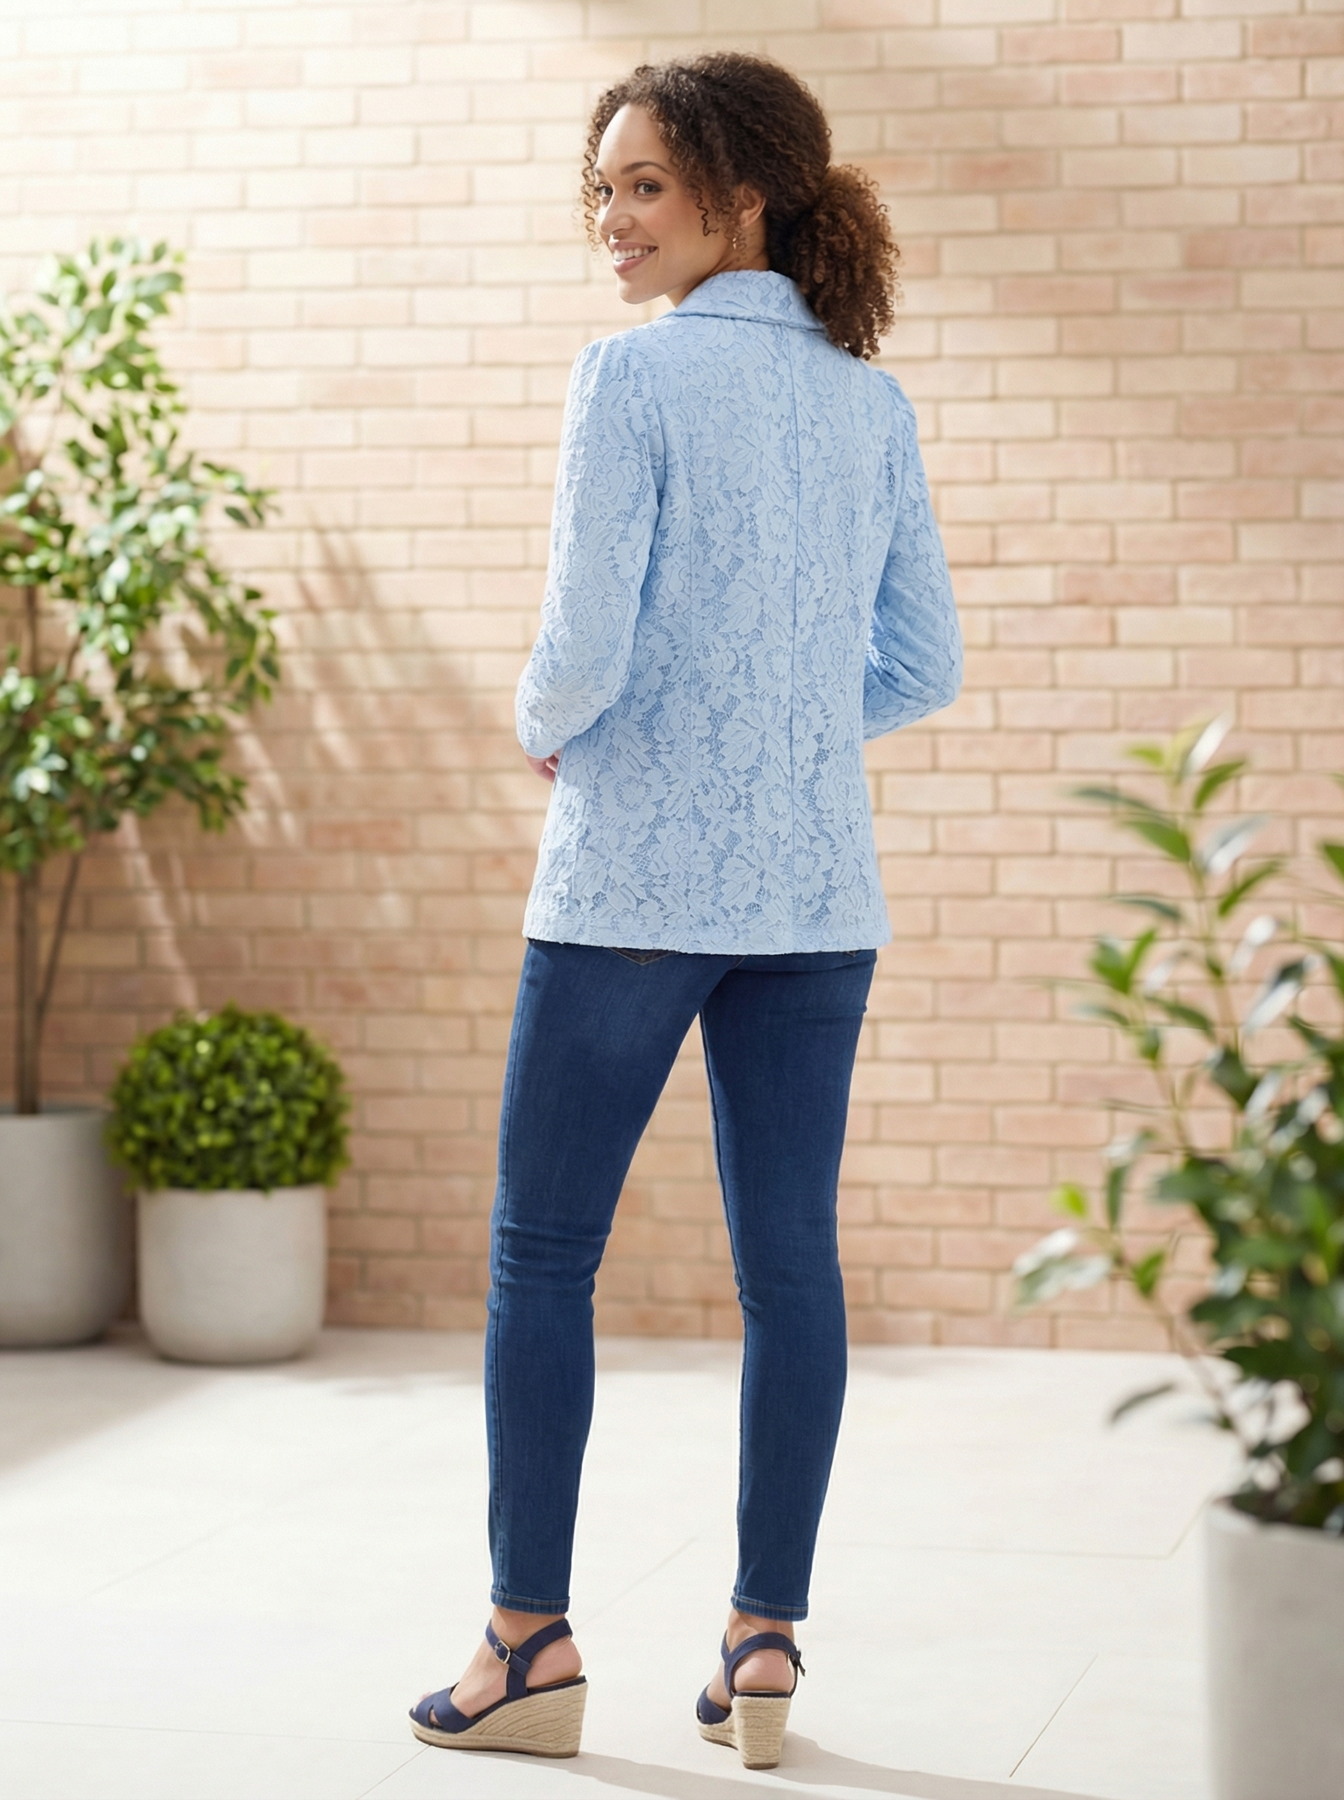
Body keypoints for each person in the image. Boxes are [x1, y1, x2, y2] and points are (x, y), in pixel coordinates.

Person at [410, 50, 961, 1771]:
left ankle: (527, 1645)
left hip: (633, 882)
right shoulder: (871, 403)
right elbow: (924, 664)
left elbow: (581, 647)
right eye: (603, 189)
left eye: (645, 185)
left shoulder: (631, 380)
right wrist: (780, 729)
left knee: (542, 1254)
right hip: (815, 891)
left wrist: (543, 728)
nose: (614, 219)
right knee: (791, 1269)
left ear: (746, 196)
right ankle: (764, 1637)